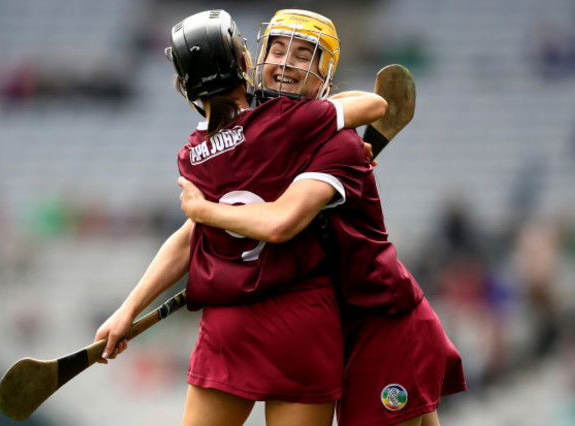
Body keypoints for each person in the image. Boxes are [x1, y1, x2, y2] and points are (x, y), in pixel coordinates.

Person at [94, 9, 387, 426]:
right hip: (302, 322)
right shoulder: (301, 125)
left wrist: (127, 310)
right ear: (246, 62)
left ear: (184, 86)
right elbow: (374, 105)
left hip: (228, 327)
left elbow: (188, 238)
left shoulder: (191, 158)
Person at [177, 9, 467, 426]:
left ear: (324, 77)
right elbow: (196, 233)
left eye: (303, 55)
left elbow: (279, 223)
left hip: (378, 320)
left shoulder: (336, 142)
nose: (286, 64)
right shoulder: (266, 138)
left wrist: (205, 210)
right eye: (278, 50)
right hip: (335, 322)